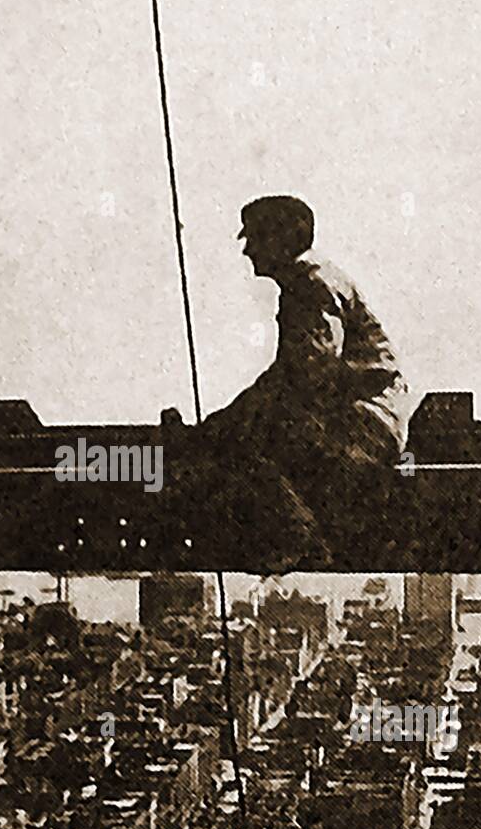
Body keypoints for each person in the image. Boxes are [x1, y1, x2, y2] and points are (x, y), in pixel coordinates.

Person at [168, 195, 414, 562]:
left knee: (240, 444)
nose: (247, 250)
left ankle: (298, 537)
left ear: (279, 240)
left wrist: (211, 430)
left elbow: (302, 378)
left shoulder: (310, 286)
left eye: (254, 238)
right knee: (244, 430)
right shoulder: (314, 281)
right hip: (366, 421)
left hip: (362, 427)